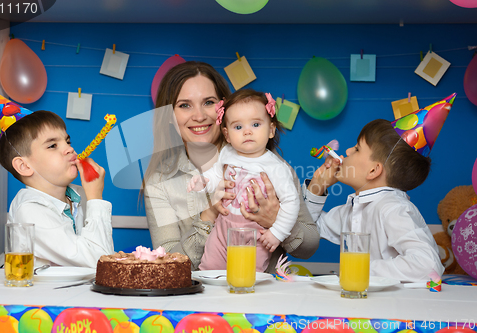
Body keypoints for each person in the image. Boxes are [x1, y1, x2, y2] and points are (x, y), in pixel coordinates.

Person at [141, 61, 320, 272]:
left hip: (265, 296)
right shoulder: (159, 183)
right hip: (203, 299)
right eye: (184, 105)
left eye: (208, 102)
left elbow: (309, 246)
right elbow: (168, 265)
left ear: (224, 110)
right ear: (169, 116)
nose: (199, 116)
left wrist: (274, 219)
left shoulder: (267, 163)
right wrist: (208, 215)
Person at [304, 119, 444, 282]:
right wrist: (317, 186)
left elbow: (428, 266)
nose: (348, 151)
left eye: (356, 149)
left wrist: (362, 268)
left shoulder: (393, 208)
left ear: (373, 170)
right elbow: (309, 227)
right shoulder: (353, 208)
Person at [188, 89, 299, 272]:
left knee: (247, 274)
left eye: (255, 124)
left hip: (255, 234)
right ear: (227, 135)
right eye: (238, 127)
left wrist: (277, 232)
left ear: (271, 130)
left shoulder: (275, 167)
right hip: (222, 228)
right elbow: (216, 177)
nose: (247, 131)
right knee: (209, 267)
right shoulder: (226, 154)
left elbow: (291, 201)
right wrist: (203, 183)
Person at [0, 110, 114, 268]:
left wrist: (91, 197)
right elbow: (99, 262)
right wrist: (95, 198)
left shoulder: (79, 195)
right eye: (53, 145)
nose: (69, 149)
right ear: (24, 166)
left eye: (67, 141)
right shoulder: (30, 210)